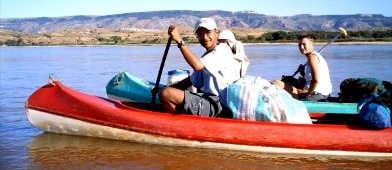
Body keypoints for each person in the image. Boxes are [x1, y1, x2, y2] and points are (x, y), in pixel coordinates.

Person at [159, 18, 241, 117]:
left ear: (217, 33)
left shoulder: (222, 50)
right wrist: (168, 88)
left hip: (219, 106)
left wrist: (179, 41)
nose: (205, 37)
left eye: (208, 32)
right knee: (166, 91)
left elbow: (197, 66)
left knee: (166, 94)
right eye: (200, 34)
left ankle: (179, 125)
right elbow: (191, 80)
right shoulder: (207, 56)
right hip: (209, 101)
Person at [273, 34, 332, 101]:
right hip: (323, 94)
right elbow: (311, 80)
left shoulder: (312, 57)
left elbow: (316, 80)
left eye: (304, 44)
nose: (301, 47)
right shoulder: (314, 56)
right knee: (298, 80)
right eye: (299, 45)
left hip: (317, 95)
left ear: (312, 45)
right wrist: (303, 74)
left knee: (276, 82)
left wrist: (308, 93)